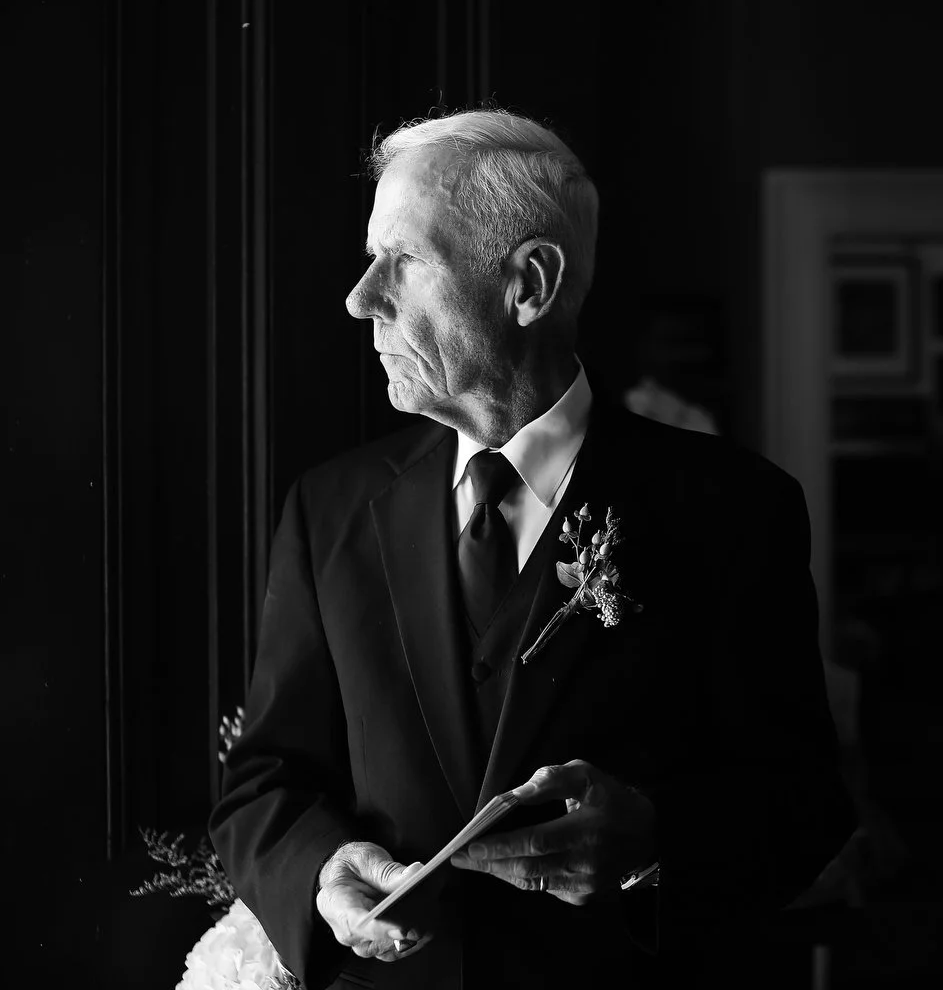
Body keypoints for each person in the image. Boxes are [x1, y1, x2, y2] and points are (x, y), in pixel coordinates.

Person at [208, 109, 853, 989]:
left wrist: (653, 847)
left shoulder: (734, 509)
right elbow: (265, 781)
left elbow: (803, 802)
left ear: (530, 283)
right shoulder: (330, 509)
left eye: (402, 261)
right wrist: (322, 872)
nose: (361, 297)